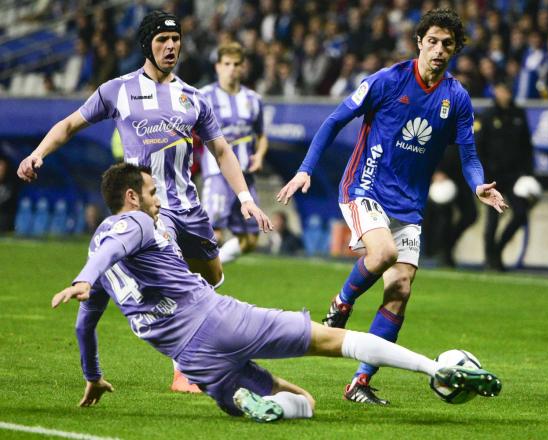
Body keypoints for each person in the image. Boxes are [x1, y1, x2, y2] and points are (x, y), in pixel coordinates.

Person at [51, 163, 502, 422]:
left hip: (194, 361)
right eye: (150, 192)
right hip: (219, 321)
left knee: (302, 400)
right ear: (131, 197)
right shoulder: (133, 223)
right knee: (332, 340)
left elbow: (84, 323)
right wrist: (86, 277)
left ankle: (254, 404)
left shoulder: (104, 258)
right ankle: (435, 370)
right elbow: (117, 242)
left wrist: (92, 374)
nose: (156, 198)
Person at [16, 10, 271, 392]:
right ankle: (186, 370)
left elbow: (222, 150)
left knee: (212, 278)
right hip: (150, 211)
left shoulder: (193, 97)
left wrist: (246, 198)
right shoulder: (117, 90)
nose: (171, 47)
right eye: (162, 40)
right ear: (146, 46)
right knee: (179, 285)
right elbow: (69, 125)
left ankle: (200, 349)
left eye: (176, 39)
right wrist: (38, 153)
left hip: (190, 206)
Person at [277, 9, 507, 405]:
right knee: (382, 253)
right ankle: (342, 302)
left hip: (410, 205)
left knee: (399, 289)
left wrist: (477, 185)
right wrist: (305, 170)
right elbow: (334, 121)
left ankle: (360, 383)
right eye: (432, 41)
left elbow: (469, 155)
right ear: (419, 41)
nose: (438, 50)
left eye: (447, 44)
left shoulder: (457, 98)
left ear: (454, 51)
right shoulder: (386, 81)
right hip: (364, 188)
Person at [198, 42, 268, 264]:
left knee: (250, 239)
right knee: (212, 234)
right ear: (218, 66)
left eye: (236, 64)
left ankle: (207, 274)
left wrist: (259, 155)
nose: (232, 69)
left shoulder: (254, 100)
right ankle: (197, 279)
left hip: (246, 176)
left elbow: (262, 135)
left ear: (243, 67)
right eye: (227, 64)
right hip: (217, 174)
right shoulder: (203, 96)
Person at [477, 80, 536, 271]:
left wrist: (528, 174)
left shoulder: (518, 114)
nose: (506, 95)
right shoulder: (487, 116)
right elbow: (479, 148)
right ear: (496, 91)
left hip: (514, 176)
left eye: (509, 91)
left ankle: (497, 250)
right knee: (493, 218)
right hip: (492, 176)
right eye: (503, 90)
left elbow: (527, 146)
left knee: (520, 213)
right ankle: (490, 259)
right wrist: (481, 178)